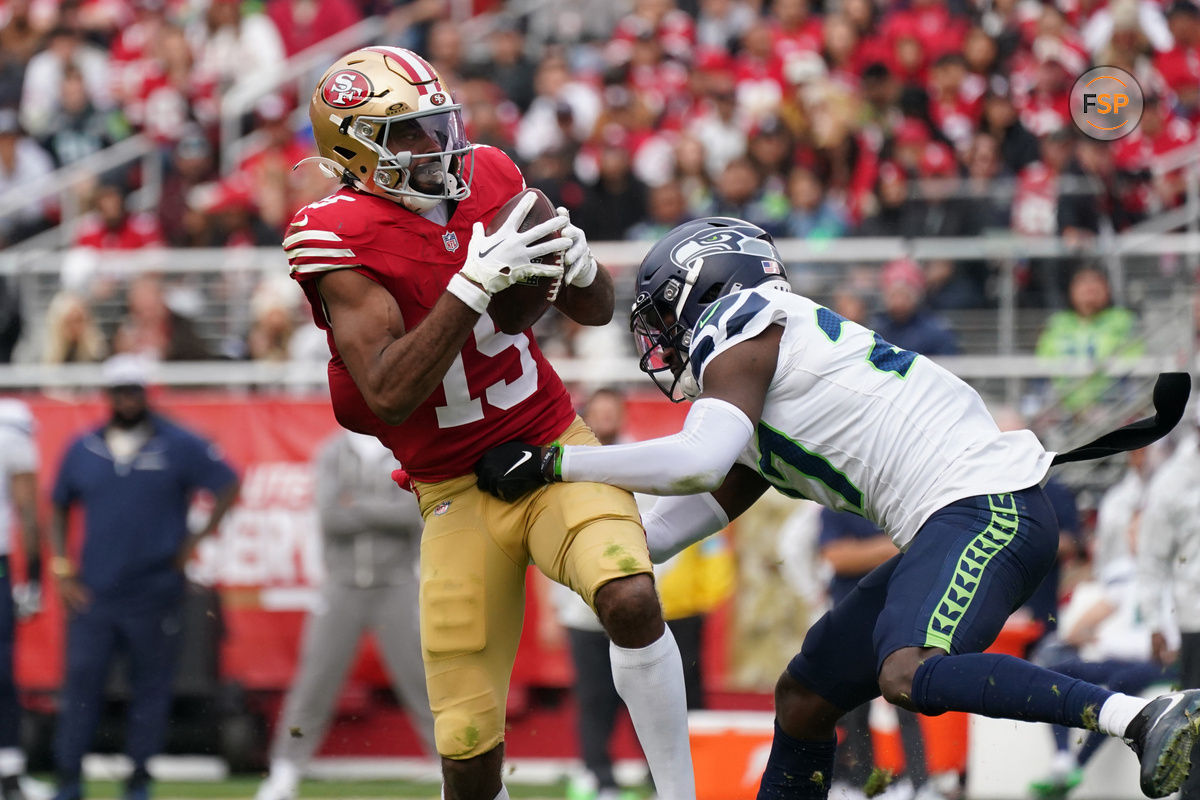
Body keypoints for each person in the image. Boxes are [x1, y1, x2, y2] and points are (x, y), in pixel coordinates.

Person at [475, 217, 1200, 800]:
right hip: (952, 518)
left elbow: (692, 463)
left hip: (987, 506)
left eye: (664, 311)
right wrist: (557, 539)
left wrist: (554, 463)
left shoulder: (745, 321)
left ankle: (1137, 715)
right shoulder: (756, 392)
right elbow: (658, 535)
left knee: (907, 672)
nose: (660, 338)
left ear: (706, 287)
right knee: (806, 695)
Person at [283, 47, 695, 800]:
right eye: (405, 134)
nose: (433, 146)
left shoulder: (496, 181)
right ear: (354, 150)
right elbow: (391, 394)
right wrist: (469, 288)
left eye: (436, 125)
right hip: (452, 489)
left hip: (549, 446)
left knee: (630, 596)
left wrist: (578, 266)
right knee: (469, 752)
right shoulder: (335, 236)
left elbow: (596, 309)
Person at [49, 355, 240, 800]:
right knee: (81, 686)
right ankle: (68, 779)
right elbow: (58, 503)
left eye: (134, 390)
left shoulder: (177, 444)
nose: (128, 399)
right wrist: (61, 566)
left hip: (155, 591)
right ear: (107, 396)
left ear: (145, 393)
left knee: (150, 691)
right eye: (119, 392)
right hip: (93, 592)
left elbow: (228, 483)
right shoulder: (83, 448)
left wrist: (195, 541)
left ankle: (138, 780)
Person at [554, 388, 729, 800]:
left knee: (652, 695)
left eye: (610, 411)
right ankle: (601, 778)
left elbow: (660, 530)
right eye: (597, 412)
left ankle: (663, 782)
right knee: (595, 697)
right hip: (582, 608)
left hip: (636, 600)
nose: (604, 419)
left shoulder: (640, 463)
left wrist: (646, 588)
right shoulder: (564, 468)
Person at [255, 430, 436, 800]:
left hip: (397, 584)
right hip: (342, 584)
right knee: (315, 681)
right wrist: (378, 508)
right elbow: (331, 515)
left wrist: (358, 505)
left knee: (426, 680)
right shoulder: (332, 452)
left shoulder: (405, 447)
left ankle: (455, 767)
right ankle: (285, 770)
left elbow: (413, 512)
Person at [818, 510, 929, 800]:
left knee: (907, 699)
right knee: (855, 709)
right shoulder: (836, 507)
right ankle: (863, 784)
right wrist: (891, 548)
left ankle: (920, 785)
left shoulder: (902, 503)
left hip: (901, 617)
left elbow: (923, 550)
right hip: (853, 622)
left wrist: (863, 551)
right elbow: (838, 557)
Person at [1137, 404, 1200, 800]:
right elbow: (1152, 560)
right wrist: (1155, 622)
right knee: (1195, 720)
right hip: (1196, 618)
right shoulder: (1174, 481)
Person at [0, 399, 43, 800]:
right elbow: (28, 511)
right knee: (1, 674)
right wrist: (33, 577)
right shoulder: (13, 434)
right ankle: (9, 776)